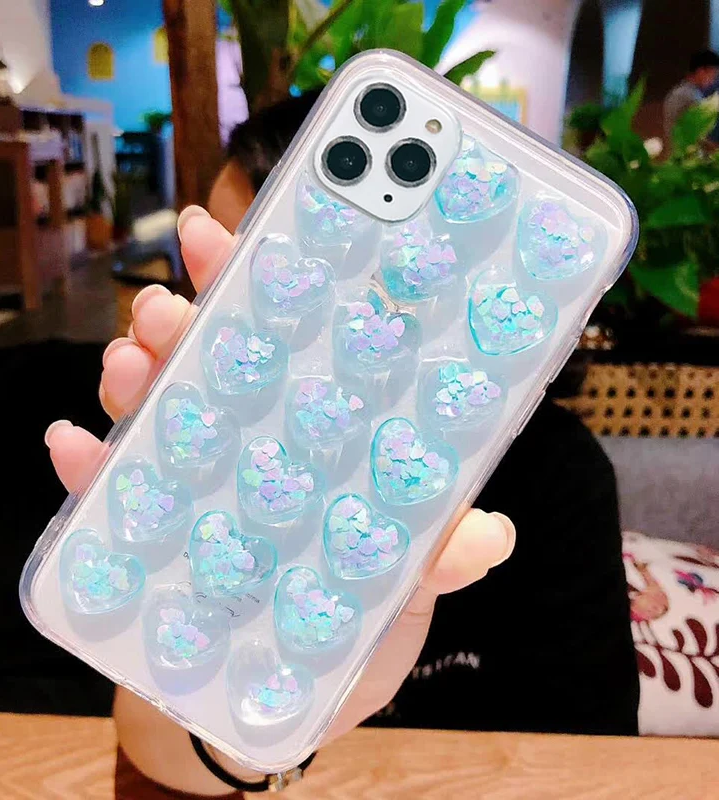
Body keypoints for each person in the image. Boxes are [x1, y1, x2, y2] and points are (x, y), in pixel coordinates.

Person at [45, 93, 638, 796]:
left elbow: (597, 750)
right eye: (218, 280)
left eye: (260, 256)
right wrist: (259, 731)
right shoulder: (202, 466)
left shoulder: (561, 479)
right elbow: (145, 751)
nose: (237, 306)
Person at [663, 49, 719, 141]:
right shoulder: (688, 95)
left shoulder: (683, 91)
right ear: (701, 71)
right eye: (712, 75)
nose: (712, 81)